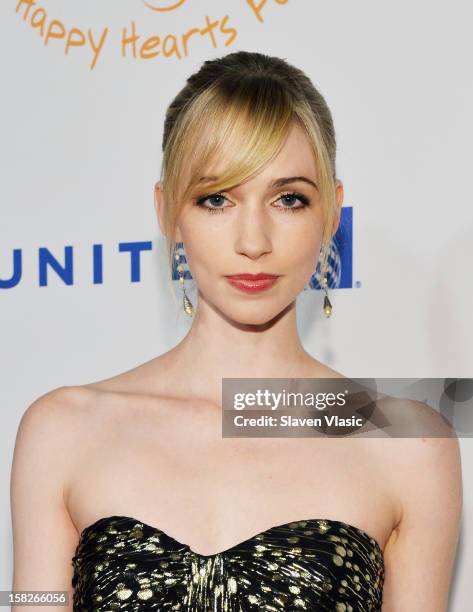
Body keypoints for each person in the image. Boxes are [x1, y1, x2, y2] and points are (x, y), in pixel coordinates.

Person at [11, 51, 462, 611]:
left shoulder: (409, 444)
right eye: (216, 198)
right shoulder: (63, 430)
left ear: (332, 215)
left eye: (288, 198)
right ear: (168, 213)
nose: (253, 240)